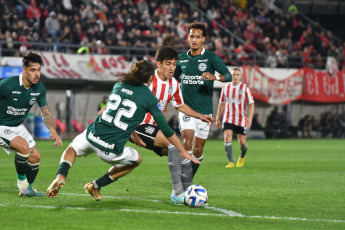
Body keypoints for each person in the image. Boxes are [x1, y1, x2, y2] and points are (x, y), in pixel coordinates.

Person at [46, 60, 200, 201]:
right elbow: (165, 129)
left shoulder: (119, 85)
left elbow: (125, 115)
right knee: (136, 159)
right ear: (149, 77)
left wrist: (134, 134)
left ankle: (61, 175)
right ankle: (96, 185)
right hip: (110, 148)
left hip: (92, 134)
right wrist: (183, 150)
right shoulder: (149, 97)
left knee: (72, 148)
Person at [129, 46, 214, 204]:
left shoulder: (174, 84)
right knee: (175, 146)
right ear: (158, 64)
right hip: (138, 125)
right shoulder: (147, 79)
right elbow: (127, 94)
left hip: (154, 128)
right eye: (168, 64)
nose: (172, 68)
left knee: (183, 155)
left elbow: (180, 105)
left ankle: (186, 191)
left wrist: (200, 115)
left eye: (174, 64)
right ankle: (177, 193)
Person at [173, 22, 232, 177]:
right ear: (187, 37)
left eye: (198, 37)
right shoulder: (181, 59)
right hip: (187, 109)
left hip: (205, 111)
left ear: (203, 39)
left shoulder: (211, 58)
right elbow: (171, 80)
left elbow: (228, 75)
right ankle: (180, 181)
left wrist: (215, 77)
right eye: (191, 36)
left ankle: (189, 176)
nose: (194, 40)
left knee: (198, 149)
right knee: (186, 143)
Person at [0, 50, 62, 197]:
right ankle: (22, 185)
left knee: (35, 157)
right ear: (24, 70)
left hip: (18, 126)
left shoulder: (39, 88)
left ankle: (28, 189)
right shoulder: (8, 84)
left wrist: (52, 129)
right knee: (23, 147)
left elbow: (45, 111)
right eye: (33, 70)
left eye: (39, 70)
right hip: (1, 125)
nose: (37, 74)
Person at [216, 67, 254, 168]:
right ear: (231, 76)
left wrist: (250, 118)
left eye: (237, 74)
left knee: (242, 142)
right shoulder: (225, 87)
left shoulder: (245, 88)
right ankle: (231, 162)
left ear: (240, 76)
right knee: (227, 137)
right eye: (233, 74)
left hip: (241, 118)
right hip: (228, 117)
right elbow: (222, 103)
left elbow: (251, 104)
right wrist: (217, 118)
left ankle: (242, 157)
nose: (235, 76)